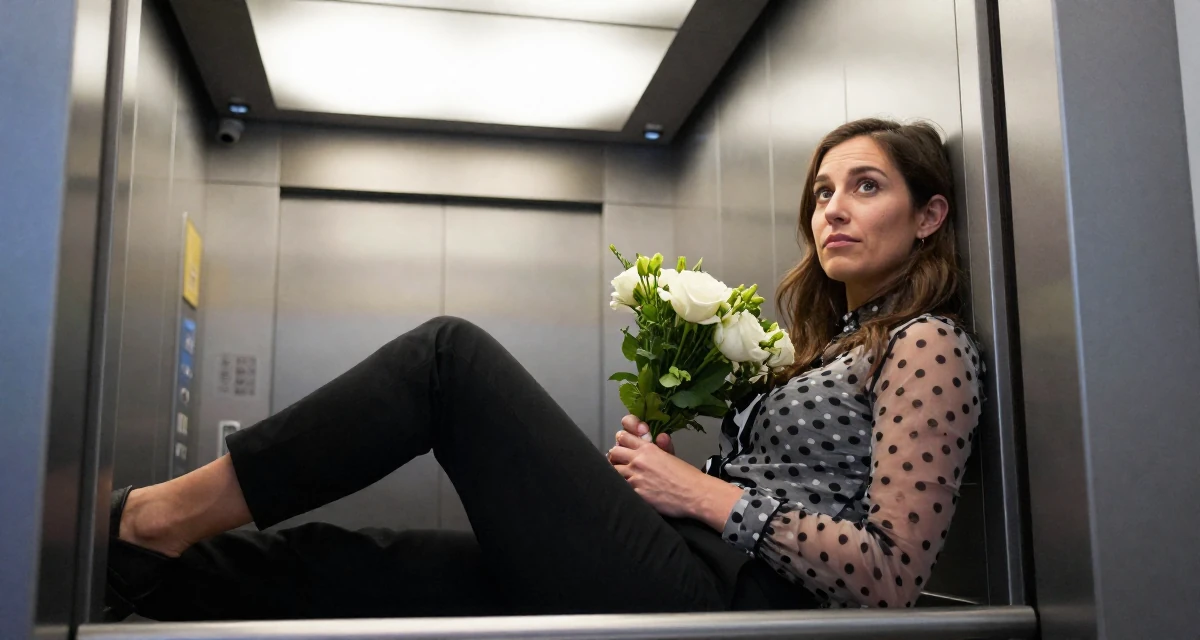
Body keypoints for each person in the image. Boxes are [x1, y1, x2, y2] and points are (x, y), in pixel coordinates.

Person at [105, 117, 983, 621]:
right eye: (823, 191)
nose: (832, 209)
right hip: (689, 561)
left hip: (733, 603)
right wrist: (668, 478)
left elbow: (888, 574)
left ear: (930, 214)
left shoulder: (928, 345)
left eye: (865, 187)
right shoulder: (825, 350)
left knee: (447, 360)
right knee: (383, 566)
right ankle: (131, 569)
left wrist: (699, 493)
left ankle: (154, 515)